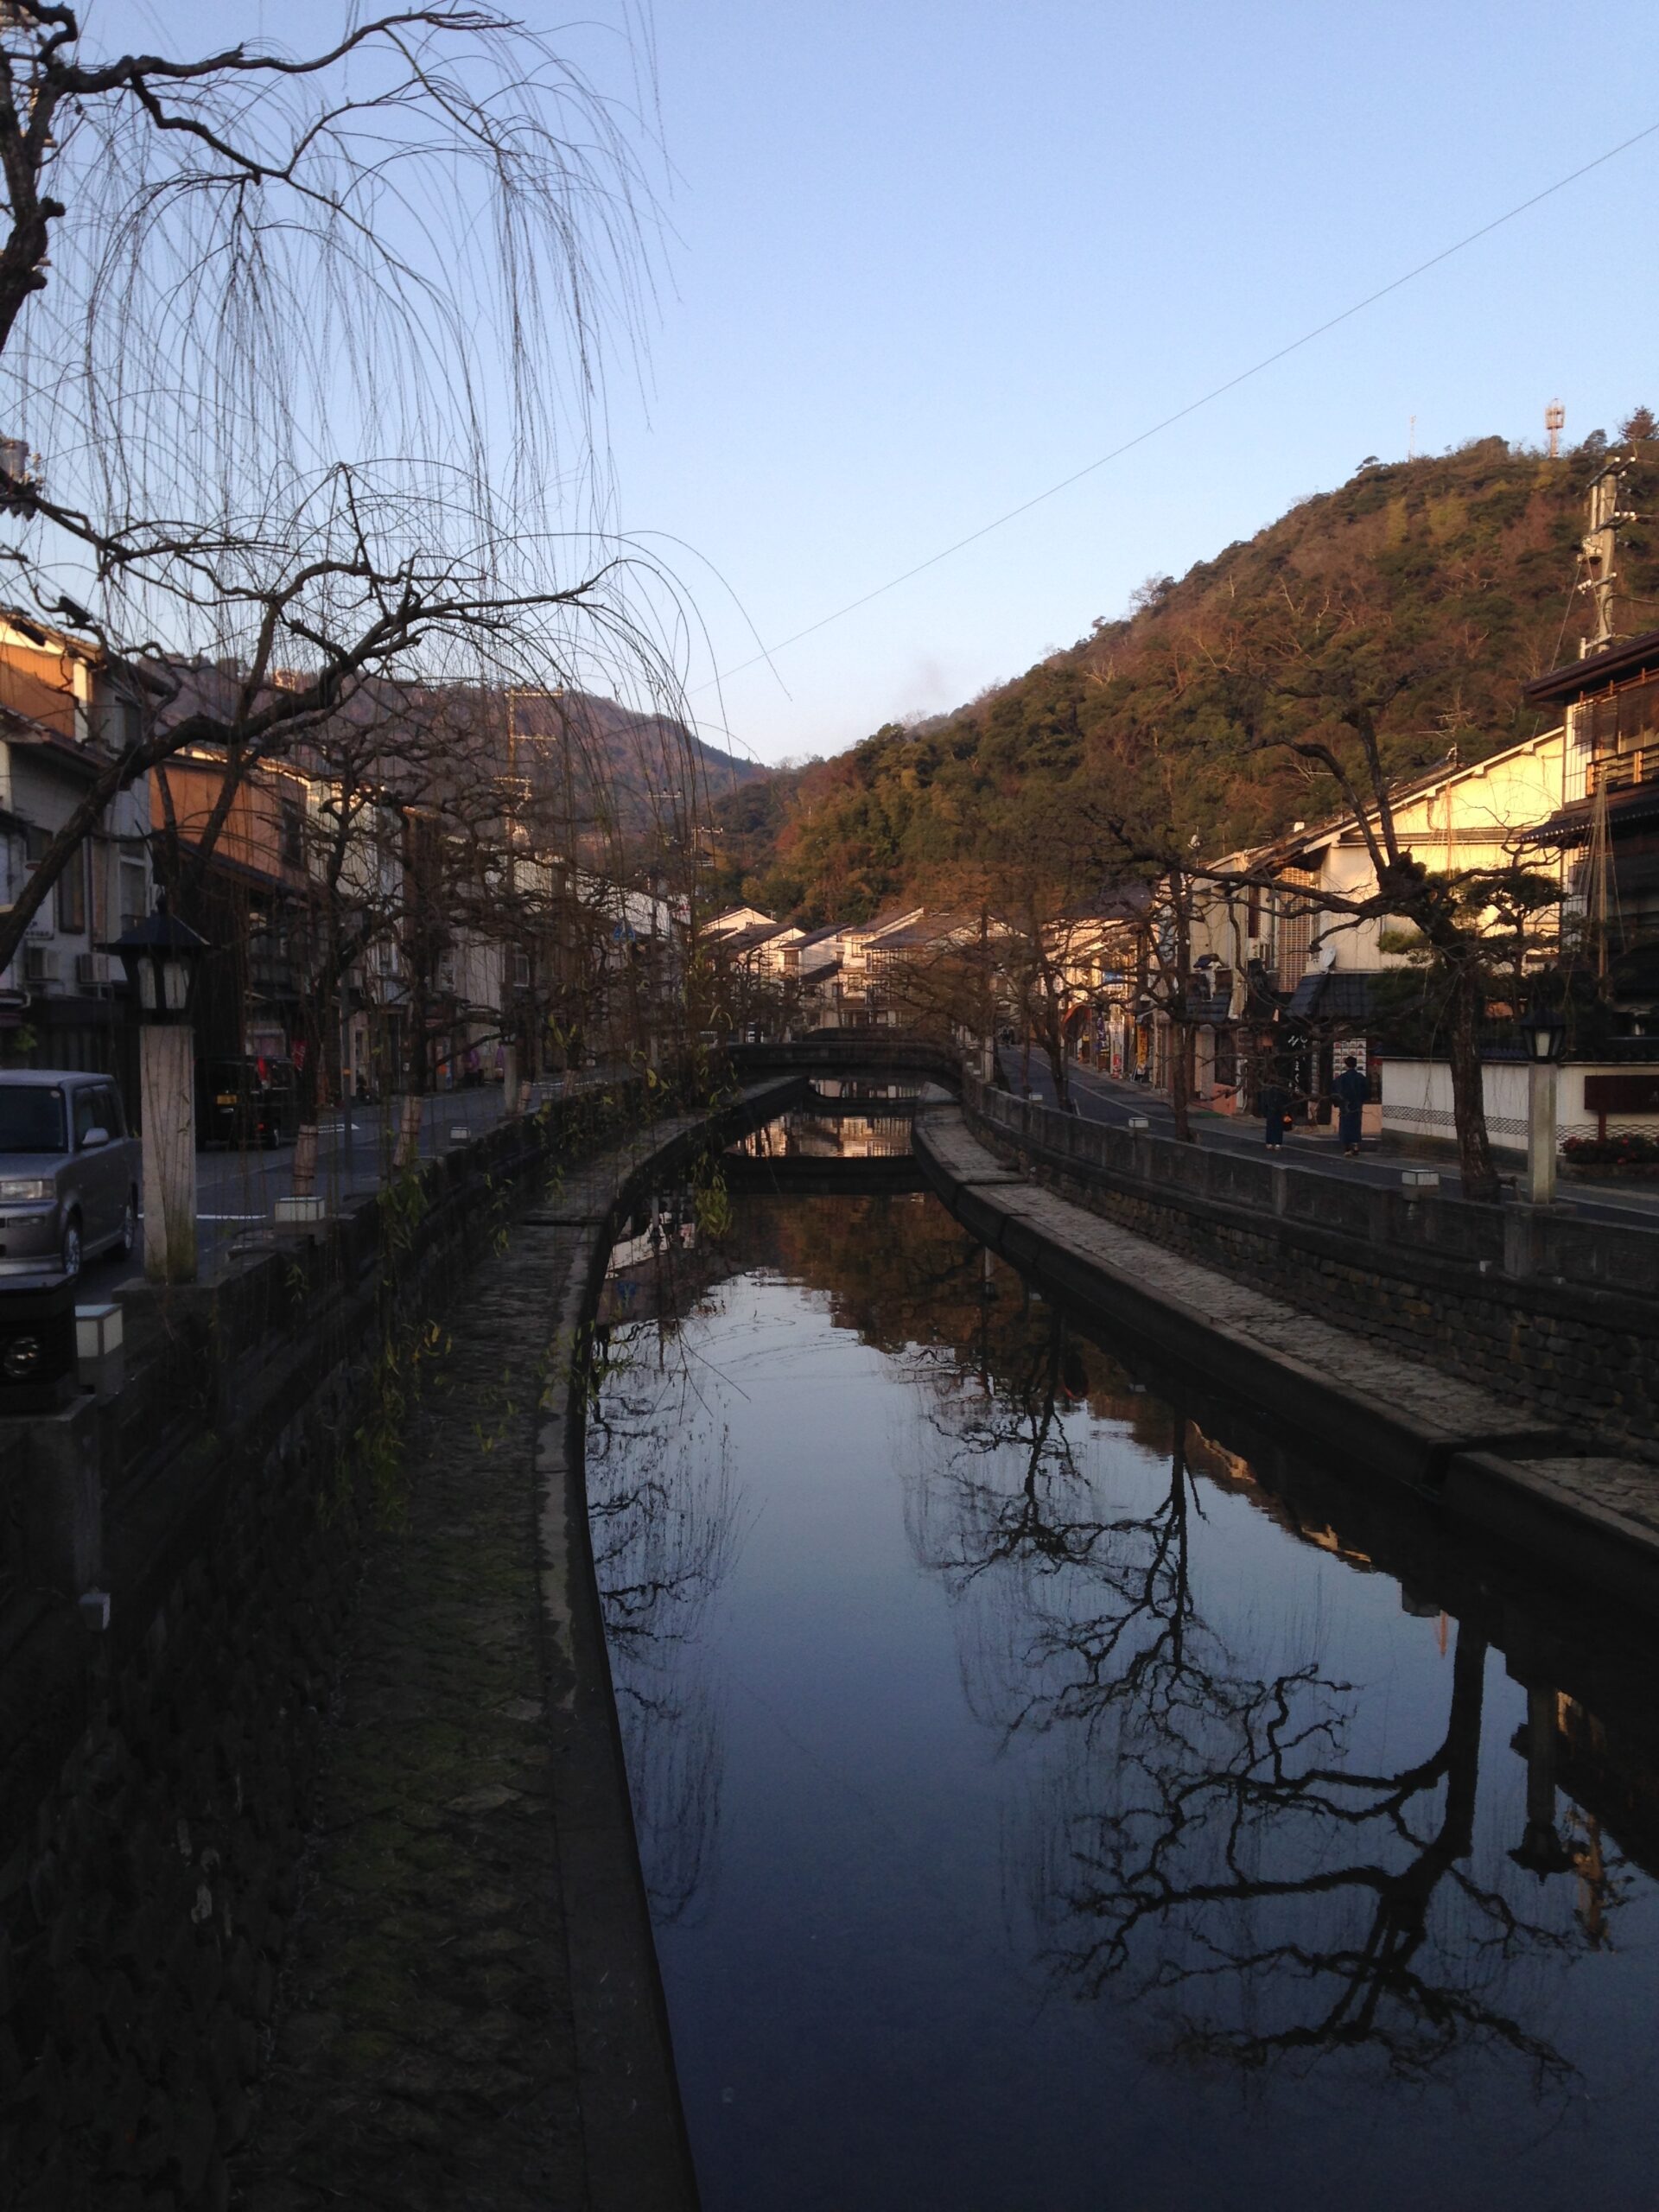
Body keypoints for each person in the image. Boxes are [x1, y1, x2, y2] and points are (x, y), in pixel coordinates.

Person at [1332, 1053, 1368, 1158]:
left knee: (1345, 1125)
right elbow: (1366, 1092)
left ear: (1346, 1065)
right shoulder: (1361, 1078)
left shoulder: (1341, 1078)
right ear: (1356, 1065)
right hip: (1357, 1105)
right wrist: (1361, 1101)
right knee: (1356, 1125)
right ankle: (1356, 1145)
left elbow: (1335, 1092)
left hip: (1345, 1105)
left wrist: (1338, 1103)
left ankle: (1347, 1148)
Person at [1260, 1072, 1292, 1148]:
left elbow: (1264, 1102)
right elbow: (1286, 1102)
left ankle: (1270, 1142)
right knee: (1277, 1127)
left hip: (1272, 1110)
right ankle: (1277, 1143)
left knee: (1272, 1127)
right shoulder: (1282, 1091)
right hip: (1278, 1111)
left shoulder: (1268, 1091)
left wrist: (1264, 1111)